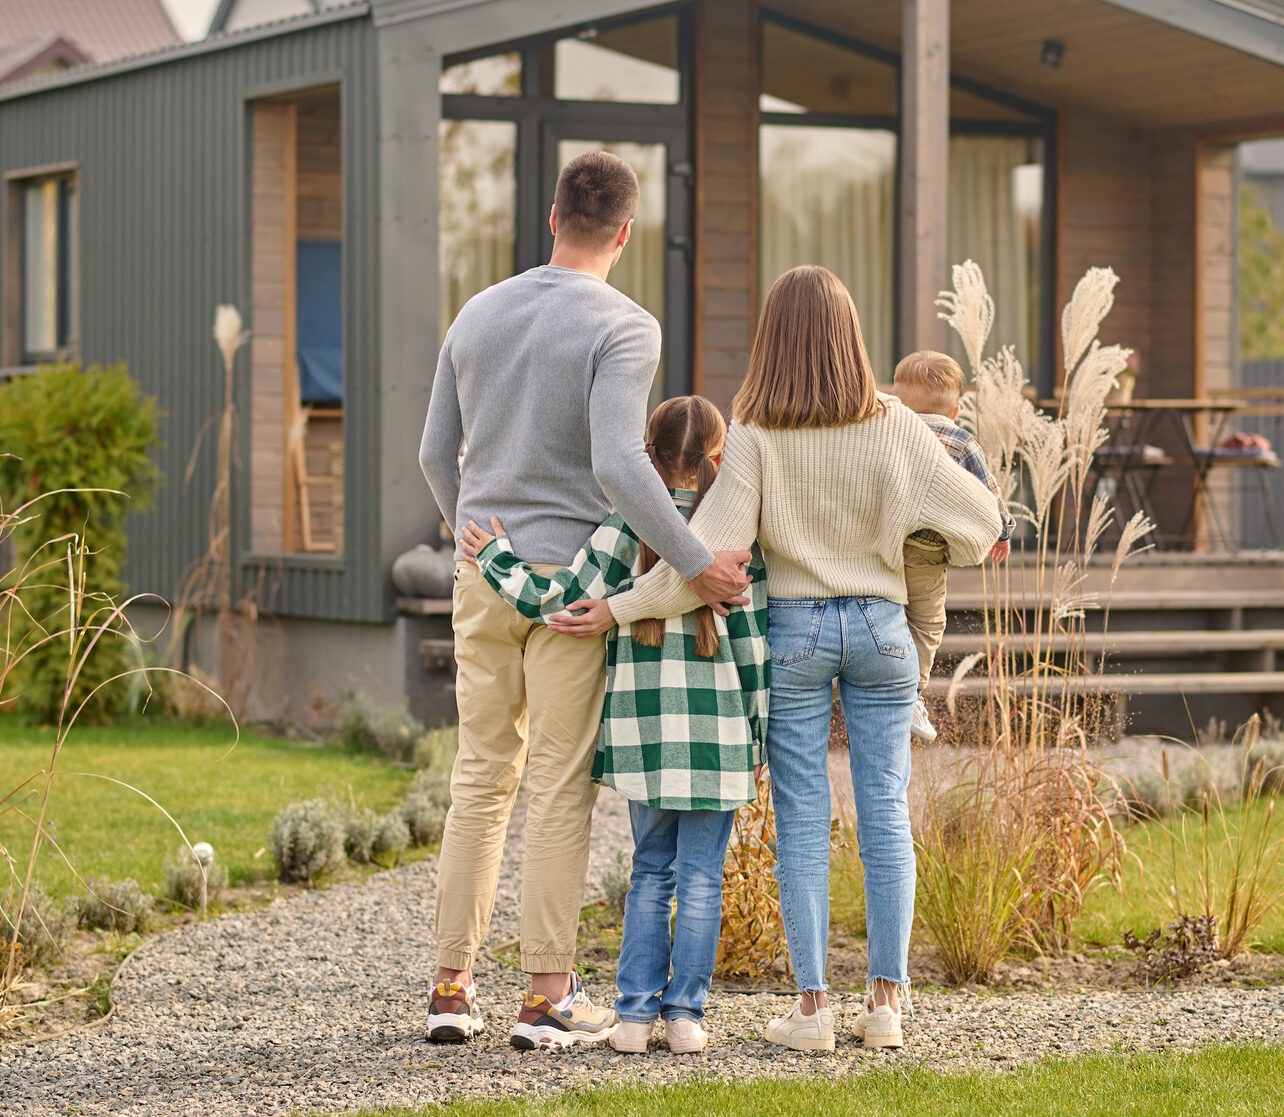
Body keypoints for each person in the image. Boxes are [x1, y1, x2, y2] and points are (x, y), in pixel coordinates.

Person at [551, 266, 1002, 1053]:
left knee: (801, 820)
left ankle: (814, 1010)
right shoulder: (898, 423)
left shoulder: (755, 434)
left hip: (794, 633)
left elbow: (704, 563)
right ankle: (886, 1005)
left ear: (772, 341)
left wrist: (618, 607)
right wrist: (917, 544)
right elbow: (983, 521)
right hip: (884, 627)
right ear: (851, 337)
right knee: (887, 811)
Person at [416, 152, 751, 1049]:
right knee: (559, 788)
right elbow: (616, 460)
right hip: (573, 589)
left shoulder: (477, 312)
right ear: (627, 233)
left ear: (553, 215)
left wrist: (472, 543)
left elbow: (431, 451)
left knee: (480, 778)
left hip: (484, 575)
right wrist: (696, 561)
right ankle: (545, 998)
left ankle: (451, 987)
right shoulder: (625, 325)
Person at [458, 395, 768, 1056]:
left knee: (650, 870)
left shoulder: (625, 527)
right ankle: (684, 1017)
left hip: (643, 739)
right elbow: (753, 646)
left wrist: (496, 557)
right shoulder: (736, 534)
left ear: (644, 459)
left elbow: (562, 598)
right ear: (721, 458)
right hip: (716, 744)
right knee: (704, 879)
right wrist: (757, 732)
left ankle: (631, 1016)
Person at [889, 351, 1015, 742]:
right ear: (956, 410)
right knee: (927, 622)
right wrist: (1004, 530)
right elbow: (988, 491)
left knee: (888, 615)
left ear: (898, 399)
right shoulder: (961, 440)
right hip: (927, 552)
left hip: (883, 543)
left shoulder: (888, 429)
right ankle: (910, 693)